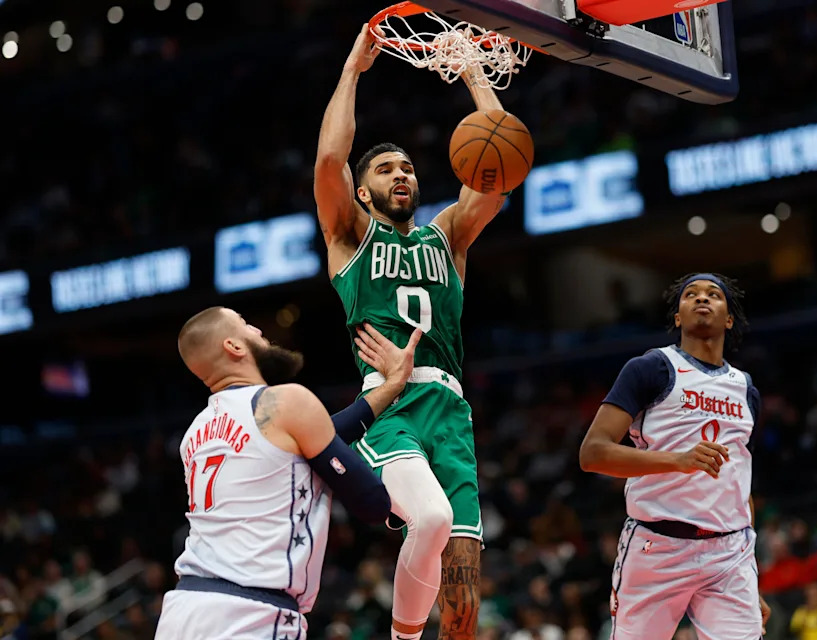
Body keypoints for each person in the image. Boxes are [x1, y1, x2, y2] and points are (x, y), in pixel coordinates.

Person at [313, 24, 526, 640]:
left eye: (407, 167)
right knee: (429, 519)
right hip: (389, 402)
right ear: (363, 190)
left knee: (463, 596)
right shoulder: (350, 236)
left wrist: (473, 74)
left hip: (450, 409)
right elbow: (329, 159)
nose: (401, 174)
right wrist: (353, 69)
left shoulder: (447, 235)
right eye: (385, 169)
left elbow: (499, 169)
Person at [155, 306, 420, 639]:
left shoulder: (195, 433)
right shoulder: (285, 401)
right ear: (234, 347)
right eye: (244, 324)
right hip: (250, 615)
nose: (256, 328)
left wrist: (390, 387)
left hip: (183, 612)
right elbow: (371, 502)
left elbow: (310, 440)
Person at [579, 273, 771, 639]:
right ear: (678, 317)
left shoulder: (747, 389)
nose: (702, 299)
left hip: (730, 554)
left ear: (728, 318)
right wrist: (678, 460)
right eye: (691, 295)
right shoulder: (650, 369)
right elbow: (593, 453)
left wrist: (753, 577)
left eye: (714, 295)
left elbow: (739, 487)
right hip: (657, 547)